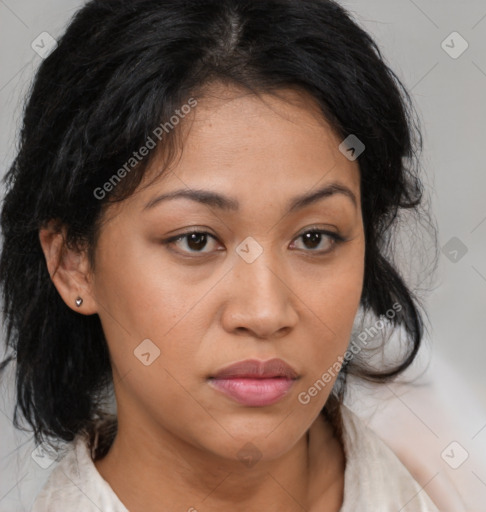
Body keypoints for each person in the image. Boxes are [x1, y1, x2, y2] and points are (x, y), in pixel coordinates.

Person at [0, 0, 441, 510]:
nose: (265, 312)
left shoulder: (471, 478)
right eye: (195, 240)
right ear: (72, 264)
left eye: (315, 237)